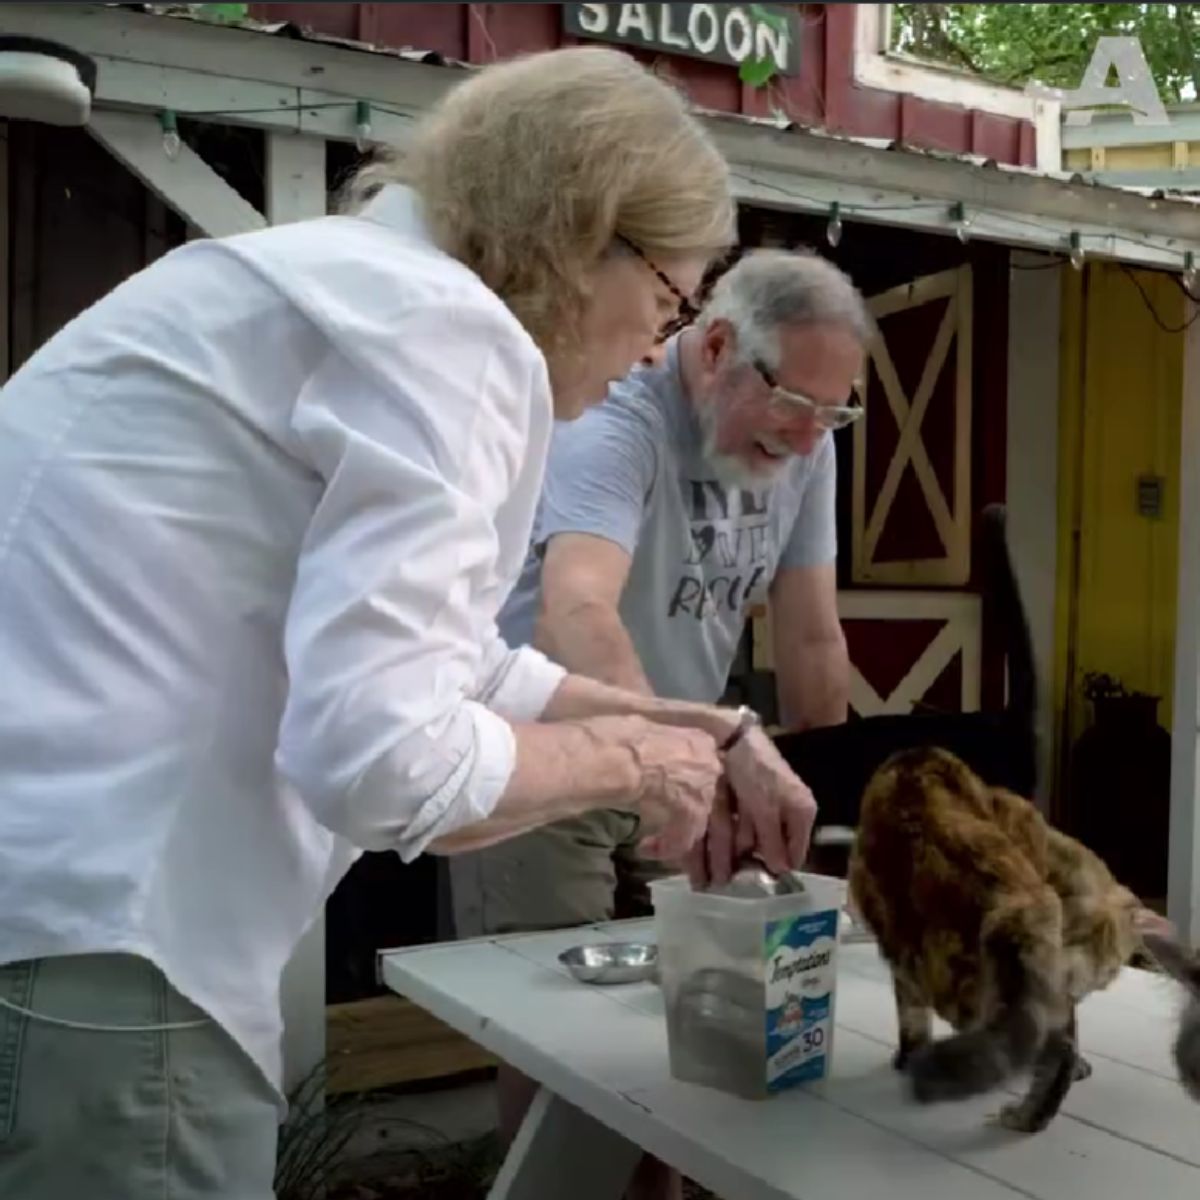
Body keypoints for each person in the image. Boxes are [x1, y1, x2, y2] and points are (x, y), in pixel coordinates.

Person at [0, 49, 818, 1200]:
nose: (653, 345)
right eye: (673, 301)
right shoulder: (452, 331)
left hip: (50, 916)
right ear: (590, 237)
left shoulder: (326, 282)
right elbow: (386, 762)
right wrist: (643, 763)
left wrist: (704, 726)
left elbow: (453, 666)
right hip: (115, 941)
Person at [451, 248, 870, 1199]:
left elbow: (812, 640)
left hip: (683, 756)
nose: (810, 439)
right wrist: (685, 753)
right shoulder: (615, 421)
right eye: (796, 409)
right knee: (555, 1034)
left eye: (833, 414)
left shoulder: (811, 450)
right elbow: (576, 613)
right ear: (717, 346)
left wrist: (820, 817)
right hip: (544, 757)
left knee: (699, 1021)